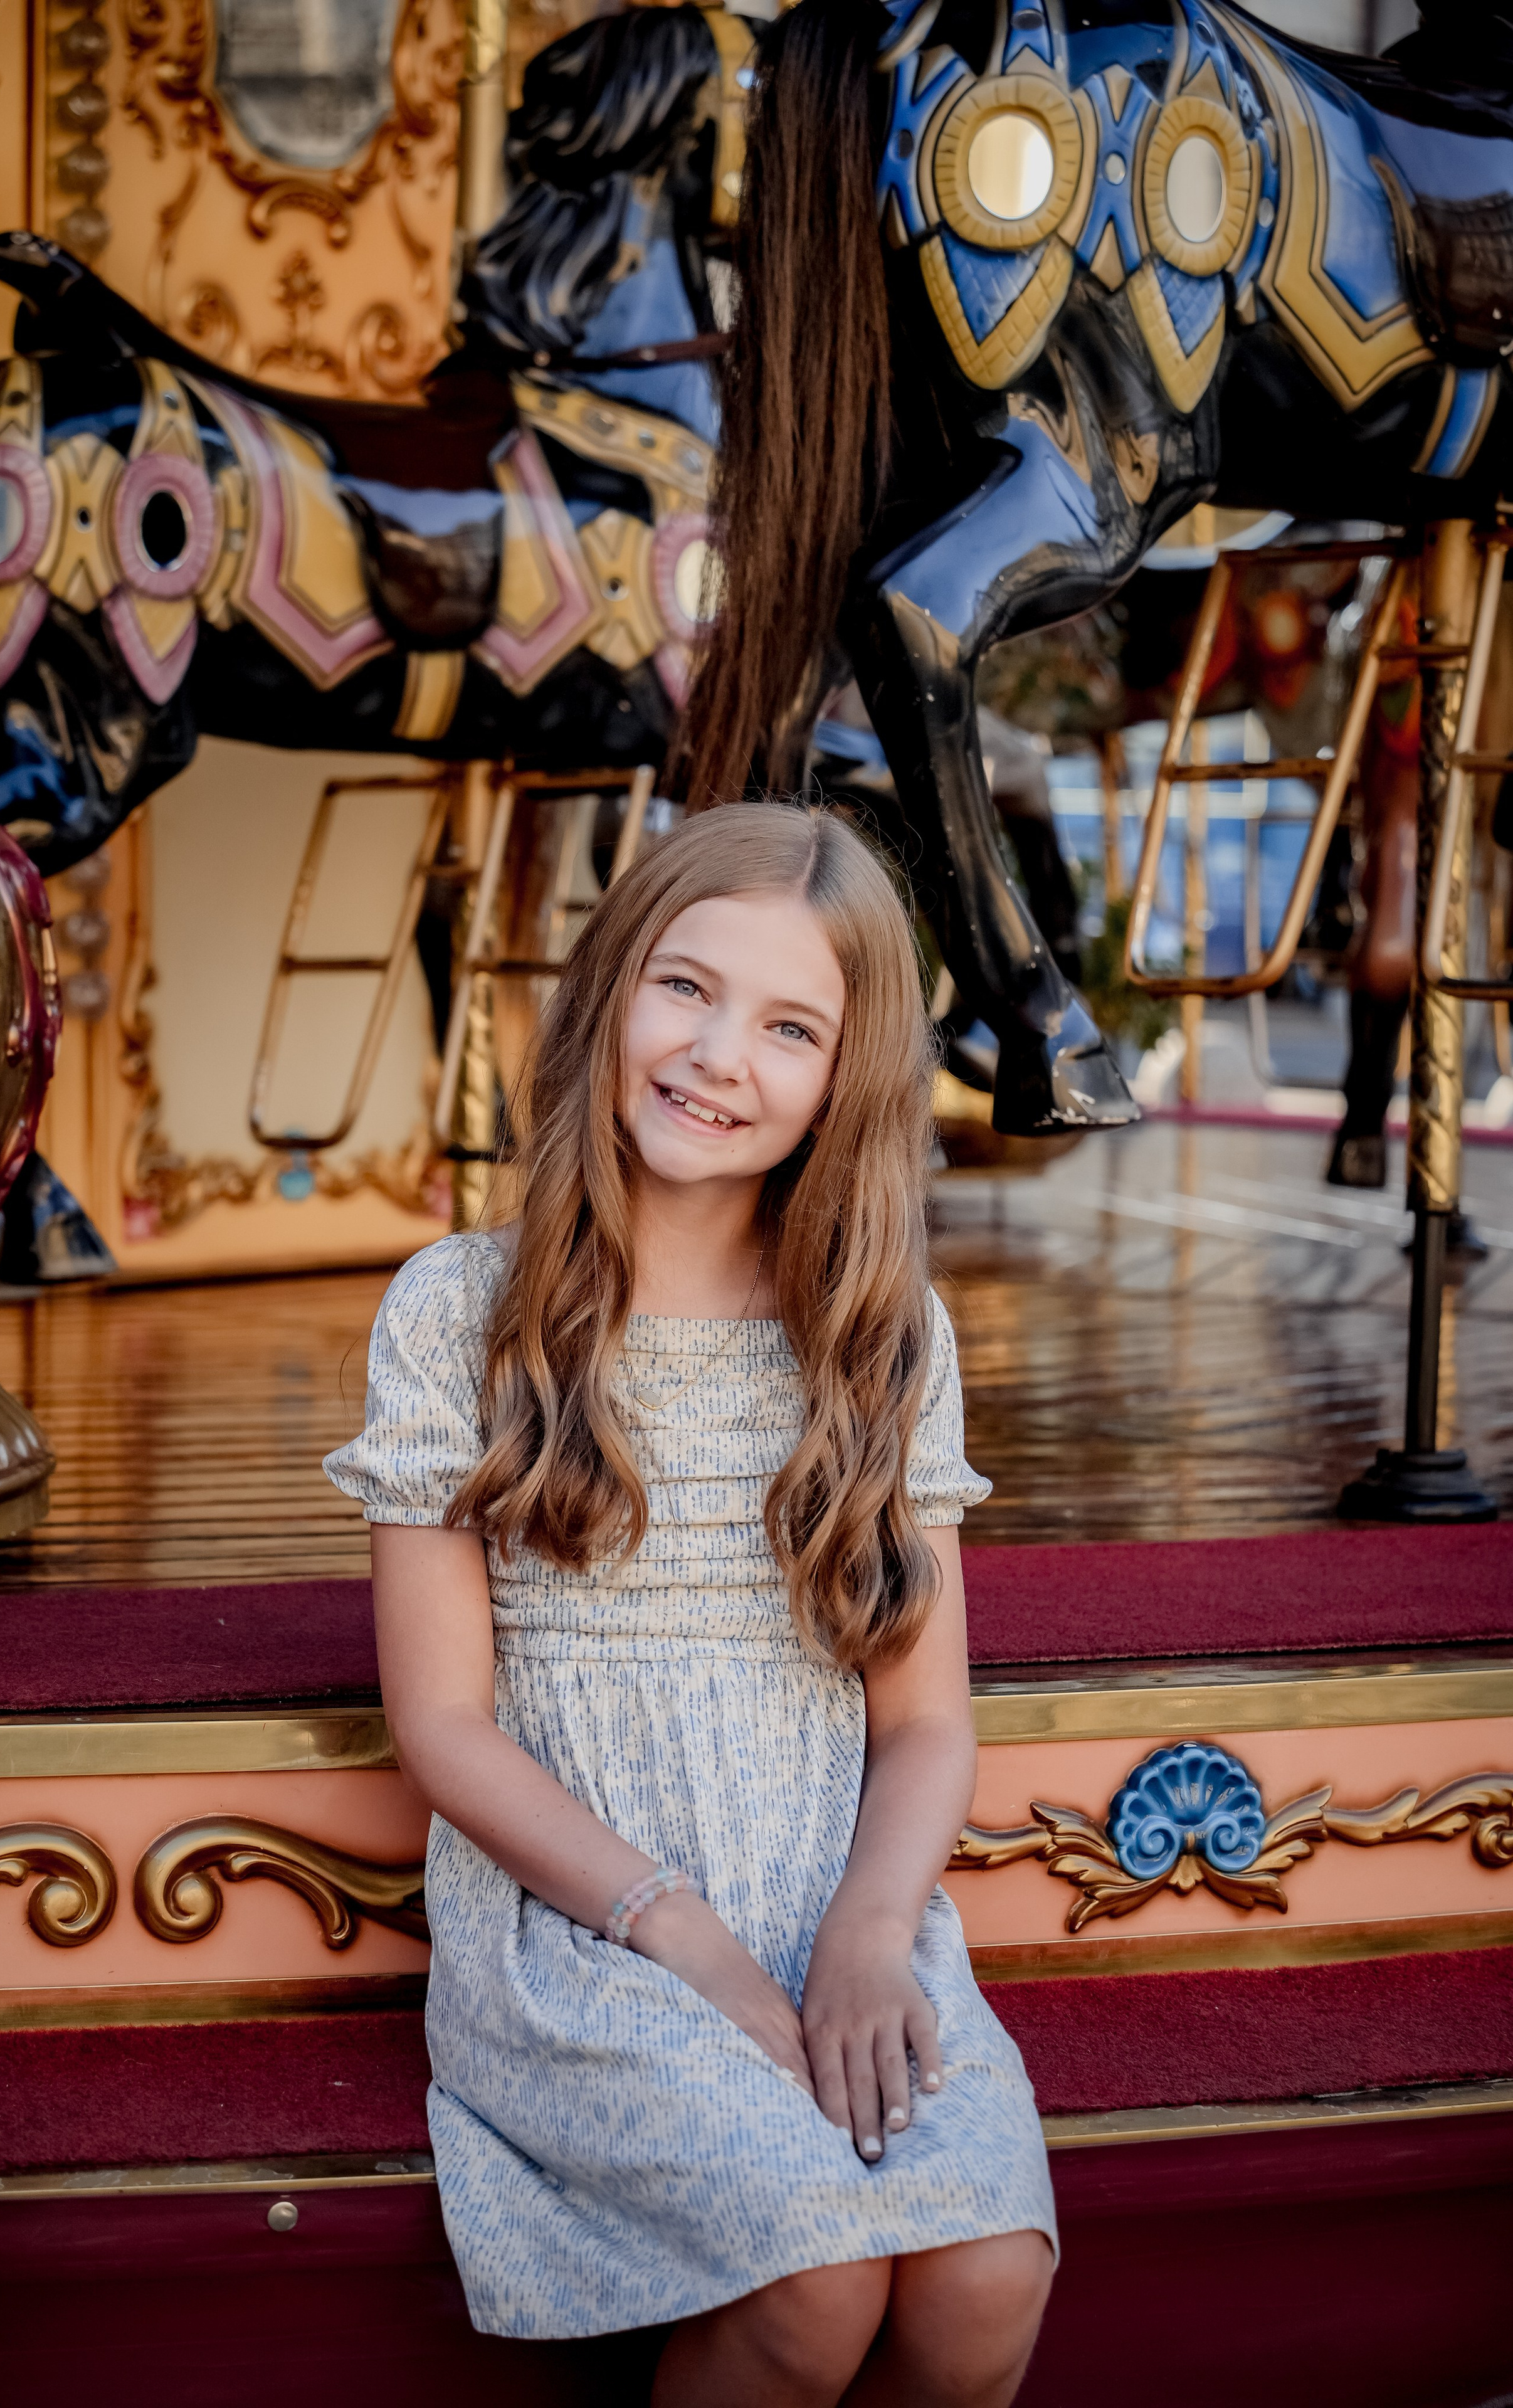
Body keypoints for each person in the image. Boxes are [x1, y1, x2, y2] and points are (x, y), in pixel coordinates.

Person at [324, 803, 1057, 2405]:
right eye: (685, 988)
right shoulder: (463, 1309)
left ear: (842, 1086)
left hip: (831, 1895)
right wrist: (692, 1944)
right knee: (814, 2282)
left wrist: (866, 1932)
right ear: (608, 997)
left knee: (986, 2279)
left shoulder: (882, 1338)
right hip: (588, 1927)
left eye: (789, 1026)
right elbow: (440, 1725)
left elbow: (926, 1723)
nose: (720, 1055)